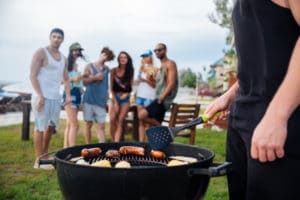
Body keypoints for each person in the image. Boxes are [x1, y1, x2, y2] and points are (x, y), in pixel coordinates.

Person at [204, 1, 300, 199]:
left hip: (281, 124)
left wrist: (277, 116)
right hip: (242, 119)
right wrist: (232, 93)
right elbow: (270, 56)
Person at [30, 28, 71, 169]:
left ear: (62, 40)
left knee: (51, 126)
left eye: (59, 37)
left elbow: (66, 79)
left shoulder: (64, 58)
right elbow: (32, 75)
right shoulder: (41, 52)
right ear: (50, 37)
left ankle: (45, 155)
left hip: (55, 97)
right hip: (41, 96)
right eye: (54, 36)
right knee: (39, 127)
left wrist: (68, 95)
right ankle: (39, 160)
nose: (56, 39)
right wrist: (40, 95)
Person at [138, 43, 178, 141]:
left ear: (165, 50)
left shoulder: (170, 63)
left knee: (141, 115)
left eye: (159, 50)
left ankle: (166, 131)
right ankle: (160, 141)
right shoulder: (161, 66)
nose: (157, 52)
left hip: (163, 100)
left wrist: (161, 98)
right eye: (155, 50)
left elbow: (171, 83)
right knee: (154, 128)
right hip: (159, 98)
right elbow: (160, 84)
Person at [82, 47, 115, 144]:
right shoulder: (88, 66)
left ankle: (102, 146)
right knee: (88, 124)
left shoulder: (107, 69)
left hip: (101, 102)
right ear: (101, 54)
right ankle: (87, 146)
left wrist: (109, 98)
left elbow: (108, 84)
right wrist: (94, 78)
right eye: (104, 55)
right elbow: (84, 82)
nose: (105, 58)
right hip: (89, 100)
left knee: (101, 126)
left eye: (107, 58)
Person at [63, 42, 86, 148]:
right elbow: (61, 80)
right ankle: (71, 149)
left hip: (77, 94)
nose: (77, 52)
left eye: (78, 50)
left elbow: (78, 81)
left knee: (69, 124)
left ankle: (66, 148)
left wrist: (81, 89)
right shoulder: (66, 63)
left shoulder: (77, 64)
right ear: (71, 51)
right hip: (69, 94)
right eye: (75, 50)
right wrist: (73, 79)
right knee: (75, 125)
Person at [108, 51, 134, 142]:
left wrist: (126, 94)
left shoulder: (130, 71)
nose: (123, 59)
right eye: (121, 57)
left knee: (120, 121)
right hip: (114, 97)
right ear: (118, 59)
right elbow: (111, 88)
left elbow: (130, 88)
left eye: (125, 57)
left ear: (128, 59)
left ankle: (116, 143)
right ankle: (112, 142)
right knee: (112, 120)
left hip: (125, 99)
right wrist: (115, 101)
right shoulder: (113, 71)